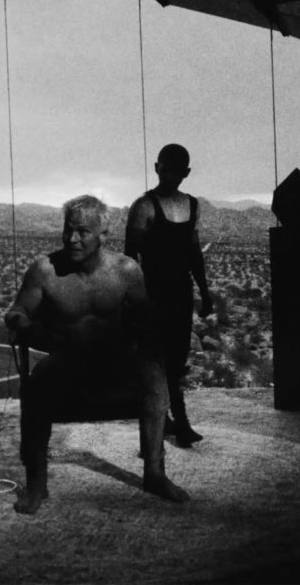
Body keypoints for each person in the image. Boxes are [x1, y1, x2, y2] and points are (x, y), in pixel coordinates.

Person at [5, 194, 190, 515]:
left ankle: (155, 473)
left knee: (154, 379)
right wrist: (20, 322)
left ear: (103, 235)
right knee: (35, 389)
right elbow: (19, 310)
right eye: (68, 230)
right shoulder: (45, 271)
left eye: (82, 231)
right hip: (65, 360)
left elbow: (145, 316)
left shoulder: (126, 271)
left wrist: (156, 329)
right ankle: (36, 482)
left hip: (115, 361)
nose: (72, 239)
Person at [125, 144, 213, 448]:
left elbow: (194, 252)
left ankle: (169, 420)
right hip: (152, 294)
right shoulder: (144, 206)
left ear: (186, 173)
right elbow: (130, 256)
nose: (170, 176)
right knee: (156, 361)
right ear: (156, 168)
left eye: (176, 171)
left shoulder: (192, 205)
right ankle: (176, 423)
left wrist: (204, 291)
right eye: (166, 169)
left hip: (180, 293)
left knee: (177, 358)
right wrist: (134, 298)